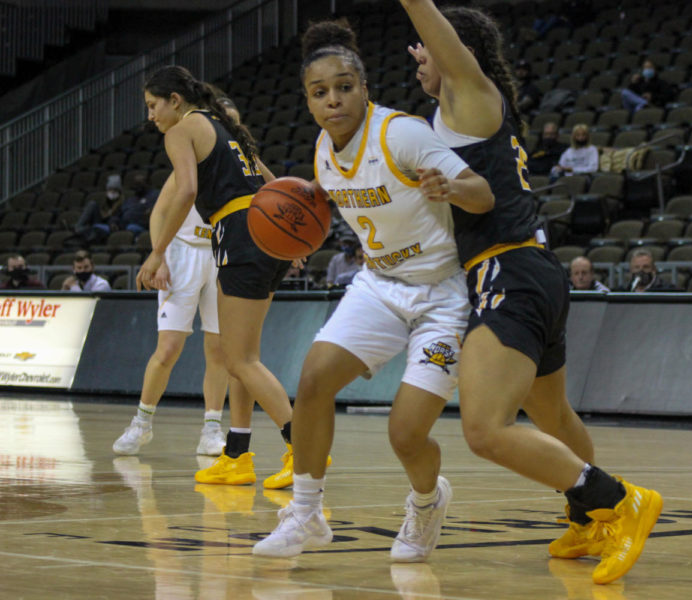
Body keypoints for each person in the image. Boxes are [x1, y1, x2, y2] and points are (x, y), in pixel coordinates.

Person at [401, 1, 661, 586]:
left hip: (509, 273)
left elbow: (432, 26)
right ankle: (589, 517)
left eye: (426, 47)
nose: (418, 55)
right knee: (551, 413)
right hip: (534, 269)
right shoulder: (455, 114)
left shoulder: (472, 93)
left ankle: (621, 502)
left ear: (451, 50)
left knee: (483, 429)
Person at [252, 19, 494, 562]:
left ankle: (429, 502)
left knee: (406, 433)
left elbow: (483, 194)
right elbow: (336, 204)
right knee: (313, 379)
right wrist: (298, 237)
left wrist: (451, 186)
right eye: (320, 93)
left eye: (343, 87)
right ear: (309, 102)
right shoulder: (322, 153)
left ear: (364, 88)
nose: (333, 100)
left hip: (442, 294)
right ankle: (307, 514)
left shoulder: (401, 133)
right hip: (379, 286)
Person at [135, 65, 296, 489]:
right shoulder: (224, 129)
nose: (151, 115)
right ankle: (238, 455)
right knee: (244, 357)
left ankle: (304, 449)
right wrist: (290, 240)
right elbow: (275, 184)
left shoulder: (183, 130)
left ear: (174, 100)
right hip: (265, 234)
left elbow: (186, 190)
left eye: (153, 105)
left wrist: (156, 253)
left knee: (239, 359)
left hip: (239, 237)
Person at [112, 96, 245, 458]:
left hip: (221, 256)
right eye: (223, 124)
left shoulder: (241, 167)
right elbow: (158, 215)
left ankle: (211, 429)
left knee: (218, 350)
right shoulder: (191, 163)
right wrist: (160, 255)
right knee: (168, 348)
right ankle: (141, 423)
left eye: (232, 125)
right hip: (183, 253)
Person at [73, 175, 123, 243]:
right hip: (99, 222)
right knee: (92, 204)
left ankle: (80, 230)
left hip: (108, 225)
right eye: (110, 189)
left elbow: (117, 218)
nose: (112, 192)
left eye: (115, 190)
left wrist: (112, 221)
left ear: (119, 192)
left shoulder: (122, 203)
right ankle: (79, 227)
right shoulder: (105, 201)